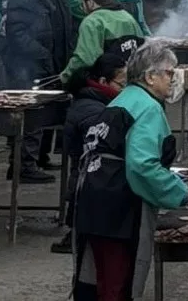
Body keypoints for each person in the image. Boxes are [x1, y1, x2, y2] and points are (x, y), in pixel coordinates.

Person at [72, 41, 188, 301]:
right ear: (150, 76)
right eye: (170, 73)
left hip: (94, 197)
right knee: (117, 285)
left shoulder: (122, 99)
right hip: (120, 208)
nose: (173, 79)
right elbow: (143, 166)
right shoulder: (148, 107)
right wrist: (179, 193)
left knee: (98, 281)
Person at [5, 0, 72, 182]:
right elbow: (18, 35)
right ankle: (24, 165)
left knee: (41, 114)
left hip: (42, 64)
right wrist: (43, 54)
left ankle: (35, 158)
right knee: (31, 116)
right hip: (27, 67)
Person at [53, 53, 127, 255]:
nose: (125, 90)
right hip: (88, 177)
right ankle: (76, 232)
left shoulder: (97, 100)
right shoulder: (92, 108)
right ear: (103, 81)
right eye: (121, 84)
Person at [60, 0, 145, 87]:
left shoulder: (92, 21)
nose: (82, 7)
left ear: (90, 1)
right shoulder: (129, 18)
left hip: (104, 86)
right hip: (130, 85)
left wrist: (65, 77)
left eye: (82, 3)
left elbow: (85, 59)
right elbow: (142, 51)